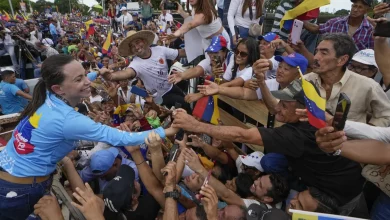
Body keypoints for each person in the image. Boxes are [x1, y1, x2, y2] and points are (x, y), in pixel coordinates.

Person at [0, 55, 177, 220]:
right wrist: (168, 131)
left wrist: (97, 73)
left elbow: (80, 81)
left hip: (10, 175)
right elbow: (123, 138)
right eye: (79, 79)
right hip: (18, 191)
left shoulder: (48, 93)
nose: (87, 82)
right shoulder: (68, 119)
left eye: (85, 75)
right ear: (58, 88)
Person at [173, 79, 369, 218]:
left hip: (342, 197)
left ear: (301, 110)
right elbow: (273, 107)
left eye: (284, 104)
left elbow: (244, 135)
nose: (278, 108)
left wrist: (196, 125)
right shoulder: (314, 113)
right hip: (330, 180)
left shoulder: (297, 135)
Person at [304, 33, 390, 127]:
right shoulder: (305, 81)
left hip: (349, 140)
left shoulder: (368, 86)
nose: (315, 57)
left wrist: (365, 133)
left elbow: (386, 116)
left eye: (323, 53)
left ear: (342, 60)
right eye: (316, 51)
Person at [100, 30, 190, 112]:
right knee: (184, 109)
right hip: (160, 99)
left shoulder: (159, 50)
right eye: (132, 46)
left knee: (188, 102)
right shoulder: (136, 63)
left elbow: (180, 53)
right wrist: (110, 76)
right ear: (131, 50)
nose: (136, 47)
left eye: (137, 42)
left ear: (144, 41)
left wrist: (200, 48)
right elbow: (127, 72)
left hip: (172, 88)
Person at [303, 0, 374, 50]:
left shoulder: (370, 30)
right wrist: (300, 20)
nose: (355, 10)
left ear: (367, 10)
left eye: (360, 7)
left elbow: (371, 53)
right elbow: (316, 29)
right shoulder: (336, 22)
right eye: (354, 6)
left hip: (355, 68)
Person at [166, 0, 231, 51]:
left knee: (218, 67)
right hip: (207, 41)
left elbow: (190, 24)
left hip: (219, 40)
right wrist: (181, 11)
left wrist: (175, 34)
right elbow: (192, 20)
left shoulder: (204, 12)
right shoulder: (196, 8)